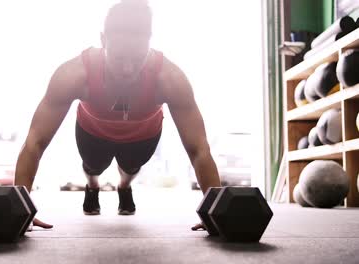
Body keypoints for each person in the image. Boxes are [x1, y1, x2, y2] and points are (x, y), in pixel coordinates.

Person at [14, 0, 221, 230]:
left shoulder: (170, 79)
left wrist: (216, 212)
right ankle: (92, 185)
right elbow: (35, 141)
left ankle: (124, 187)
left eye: (137, 58)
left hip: (143, 134)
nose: (128, 69)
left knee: (130, 168)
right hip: (92, 131)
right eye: (119, 58)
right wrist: (20, 208)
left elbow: (199, 149)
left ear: (149, 43)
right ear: (103, 40)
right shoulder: (74, 75)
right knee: (94, 165)